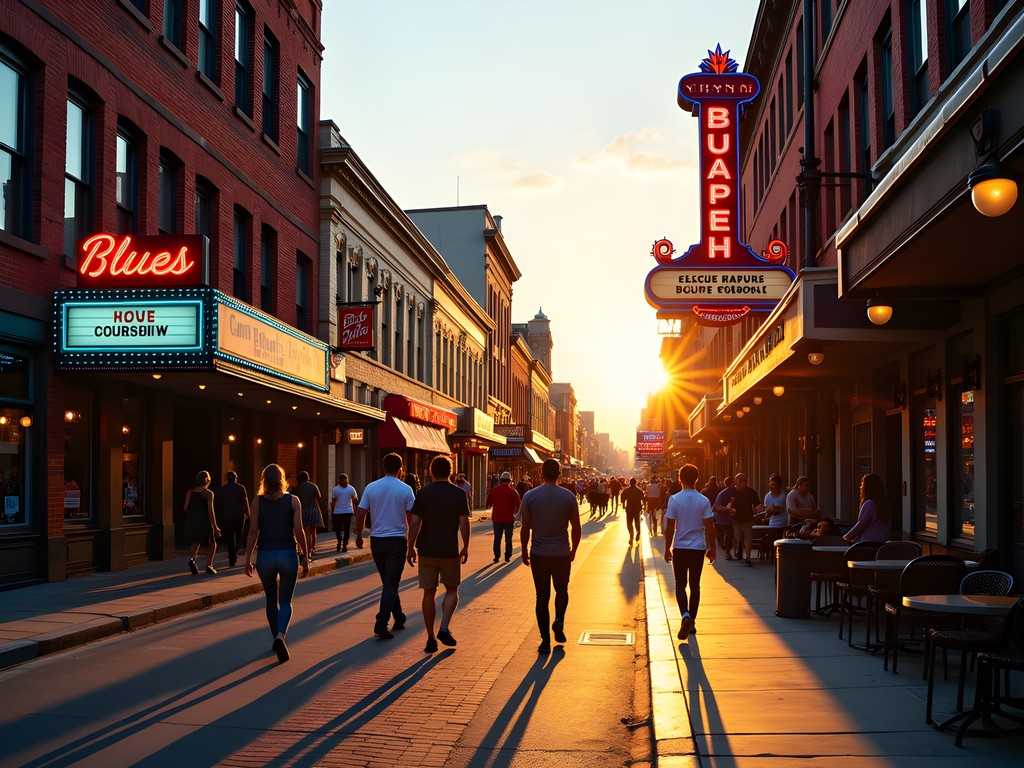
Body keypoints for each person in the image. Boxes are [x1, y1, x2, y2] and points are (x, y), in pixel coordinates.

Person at [244, 463, 308, 663]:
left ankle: (275, 638)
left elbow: (253, 531)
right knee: (286, 600)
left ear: (264, 480)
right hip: (287, 554)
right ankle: (281, 635)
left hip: (265, 556)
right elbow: (299, 530)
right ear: (282, 479)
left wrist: (247, 559)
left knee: (271, 599)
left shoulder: (257, 501)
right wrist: (305, 556)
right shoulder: (293, 501)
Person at [407, 454, 471, 653]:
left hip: (426, 550)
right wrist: (465, 546)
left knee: (429, 592)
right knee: (452, 589)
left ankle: (430, 638)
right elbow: (463, 522)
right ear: (451, 472)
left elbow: (415, 523)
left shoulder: (423, 493)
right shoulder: (459, 494)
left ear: (430, 471)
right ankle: (444, 627)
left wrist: (410, 547)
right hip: (449, 551)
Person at [520, 458, 582, 654]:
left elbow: (525, 527)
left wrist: (523, 549)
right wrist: (574, 550)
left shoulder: (530, 496)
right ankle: (559, 621)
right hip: (561, 553)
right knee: (562, 590)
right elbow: (576, 527)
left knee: (542, 597)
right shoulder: (569, 497)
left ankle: (545, 640)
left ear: (541, 474)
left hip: (539, 553)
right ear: (559, 475)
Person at [356, 452, 416, 639]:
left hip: (377, 541)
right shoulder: (405, 489)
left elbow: (360, 512)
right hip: (397, 541)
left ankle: (399, 617)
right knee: (391, 582)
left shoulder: (371, 487)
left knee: (388, 582)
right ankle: (381, 623)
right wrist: (412, 543)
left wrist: (358, 535)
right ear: (400, 469)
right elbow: (412, 519)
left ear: (383, 467)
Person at [663, 464, 716, 639]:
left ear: (680, 478)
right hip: (697, 548)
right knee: (695, 585)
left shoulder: (674, 499)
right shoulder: (704, 500)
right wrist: (712, 548)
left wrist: (667, 548)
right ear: (697, 479)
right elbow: (710, 527)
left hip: (680, 547)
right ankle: (692, 621)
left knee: (680, 584)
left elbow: (670, 527)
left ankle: (684, 615)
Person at [184, 470, 220, 574]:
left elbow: (185, 507)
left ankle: (192, 559)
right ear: (207, 480)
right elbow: (210, 510)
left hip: (191, 519)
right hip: (204, 520)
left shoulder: (190, 492)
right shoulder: (208, 493)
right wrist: (215, 526)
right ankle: (209, 565)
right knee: (213, 544)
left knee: (196, 542)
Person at [844, 473, 892, 543]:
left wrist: (845, 536)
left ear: (867, 488)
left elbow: (860, 525)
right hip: (881, 544)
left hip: (867, 544)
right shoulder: (885, 504)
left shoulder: (869, 504)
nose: (860, 487)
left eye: (862, 485)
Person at [727, 473, 761, 566]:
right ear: (735, 483)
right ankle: (739, 545)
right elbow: (728, 506)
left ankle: (748, 558)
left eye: (744, 479)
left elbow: (756, 505)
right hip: (736, 519)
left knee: (748, 536)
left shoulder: (751, 492)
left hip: (748, 518)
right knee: (738, 535)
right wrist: (731, 503)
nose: (743, 481)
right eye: (741, 480)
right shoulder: (732, 493)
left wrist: (760, 508)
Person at [486, 470, 520, 563]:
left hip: (497, 518)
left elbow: (488, 503)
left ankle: (496, 556)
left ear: (500, 480)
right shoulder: (513, 492)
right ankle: (507, 556)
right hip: (509, 518)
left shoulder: (494, 490)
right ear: (510, 481)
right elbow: (518, 505)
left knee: (497, 537)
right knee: (508, 538)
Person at [217, 471, 249, 567]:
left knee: (230, 537)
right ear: (235, 478)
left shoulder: (223, 489)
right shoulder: (241, 488)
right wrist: (248, 513)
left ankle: (232, 557)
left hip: (227, 516)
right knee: (238, 536)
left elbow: (220, 504)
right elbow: (245, 501)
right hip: (239, 516)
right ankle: (234, 554)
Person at [294, 471, 324, 562]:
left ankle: (306, 553)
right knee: (311, 532)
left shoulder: (296, 488)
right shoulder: (313, 486)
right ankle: (309, 552)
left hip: (302, 511)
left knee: (304, 532)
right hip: (313, 510)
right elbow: (319, 497)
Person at [330, 473, 358, 553]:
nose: (343, 482)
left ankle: (341, 543)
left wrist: (333, 512)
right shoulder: (351, 489)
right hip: (347, 511)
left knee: (338, 529)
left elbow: (333, 502)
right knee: (346, 529)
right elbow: (355, 501)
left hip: (339, 512)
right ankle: (343, 544)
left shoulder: (336, 489)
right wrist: (356, 511)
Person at [712, 476, 736, 560]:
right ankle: (728, 551)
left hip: (722, 519)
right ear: (732, 482)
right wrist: (729, 508)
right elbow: (718, 507)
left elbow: (717, 506)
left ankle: (728, 551)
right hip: (727, 519)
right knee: (730, 534)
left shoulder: (721, 493)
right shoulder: (726, 493)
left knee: (729, 534)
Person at [620, 478, 645, 546]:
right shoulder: (639, 491)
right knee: (637, 521)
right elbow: (643, 498)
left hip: (629, 509)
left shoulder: (626, 491)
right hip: (637, 509)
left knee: (629, 523)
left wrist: (623, 505)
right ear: (636, 483)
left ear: (630, 483)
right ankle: (638, 532)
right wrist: (643, 506)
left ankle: (631, 536)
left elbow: (622, 497)